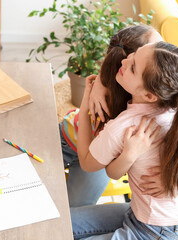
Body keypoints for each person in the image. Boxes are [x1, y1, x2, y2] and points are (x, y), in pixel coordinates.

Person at [72, 41, 178, 239]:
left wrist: (85, 106)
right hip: (153, 217)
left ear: (149, 95)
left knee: (60, 228)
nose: (125, 60)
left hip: (156, 232)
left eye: (132, 67)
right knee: (63, 222)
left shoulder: (126, 127)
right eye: (134, 54)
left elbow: (87, 163)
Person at [60, 25, 164, 207]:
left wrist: (174, 178)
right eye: (157, 47)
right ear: (128, 62)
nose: (165, 53)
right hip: (71, 138)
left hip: (98, 157)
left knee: (73, 212)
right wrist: (98, 83)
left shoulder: (152, 94)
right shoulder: (112, 92)